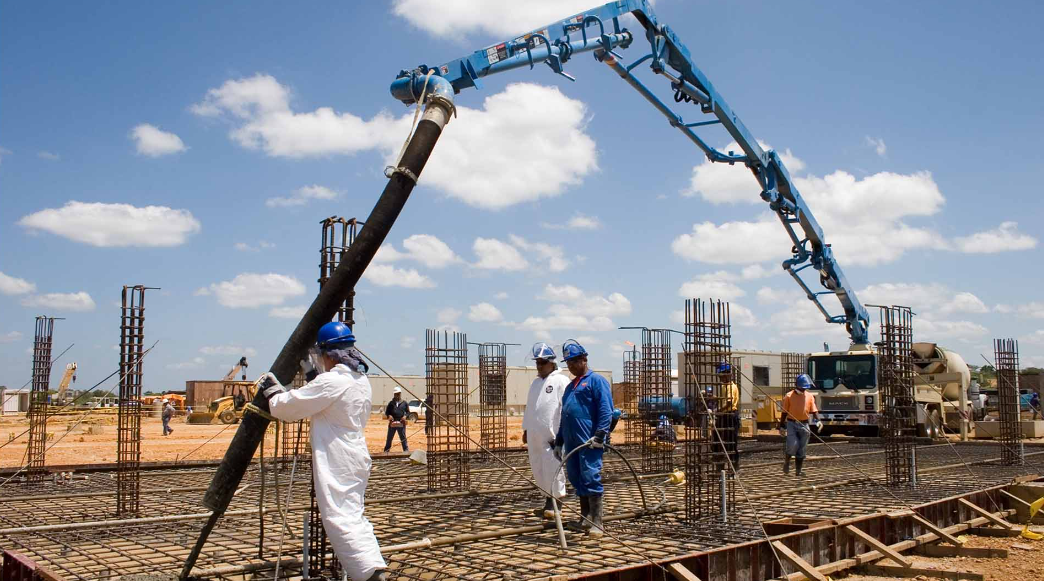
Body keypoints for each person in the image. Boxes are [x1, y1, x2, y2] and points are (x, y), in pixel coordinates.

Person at [259, 321, 387, 581]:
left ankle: (370, 576)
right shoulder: (359, 380)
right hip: (353, 455)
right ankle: (372, 570)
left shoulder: (332, 381)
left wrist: (271, 391)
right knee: (353, 515)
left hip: (338, 457)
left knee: (340, 518)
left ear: (329, 354)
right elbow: (326, 397)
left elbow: (289, 406)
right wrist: (312, 378)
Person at [554, 339, 613, 537]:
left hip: (589, 441)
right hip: (572, 442)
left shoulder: (596, 381)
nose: (571, 366)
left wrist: (599, 434)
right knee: (577, 478)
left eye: (574, 362)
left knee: (590, 476)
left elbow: (606, 410)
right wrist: (559, 441)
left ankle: (597, 522)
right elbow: (565, 415)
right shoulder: (571, 387)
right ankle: (585, 519)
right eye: (568, 363)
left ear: (584, 359)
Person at [522, 342, 570, 520]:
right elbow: (530, 409)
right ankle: (547, 501)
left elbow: (566, 408)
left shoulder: (561, 380)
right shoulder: (535, 383)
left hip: (552, 437)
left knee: (552, 468)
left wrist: (562, 434)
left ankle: (556, 503)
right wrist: (526, 429)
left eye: (542, 362)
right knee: (538, 468)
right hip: (535, 435)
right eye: (537, 363)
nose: (539, 366)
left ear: (552, 363)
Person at [779, 374, 820, 477]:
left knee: (802, 448)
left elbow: (814, 410)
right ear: (797, 385)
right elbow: (784, 412)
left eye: (804, 388)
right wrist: (781, 425)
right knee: (793, 445)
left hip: (804, 424)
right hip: (792, 423)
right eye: (802, 388)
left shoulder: (809, 396)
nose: (803, 390)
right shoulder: (789, 396)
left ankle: (798, 470)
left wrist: (817, 420)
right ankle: (787, 462)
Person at [715, 362, 741, 470]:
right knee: (718, 443)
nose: (720, 377)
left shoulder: (730, 386)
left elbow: (729, 403)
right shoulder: (724, 386)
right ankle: (720, 467)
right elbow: (724, 400)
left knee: (730, 443)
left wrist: (719, 411)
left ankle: (734, 467)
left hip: (729, 417)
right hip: (723, 416)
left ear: (726, 374)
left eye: (721, 375)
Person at [383, 387, 409, 453]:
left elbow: (408, 412)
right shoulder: (391, 403)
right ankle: (386, 451)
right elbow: (387, 412)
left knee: (403, 438)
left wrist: (405, 416)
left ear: (400, 394)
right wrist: (389, 416)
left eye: (398, 394)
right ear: (394, 394)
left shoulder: (404, 403)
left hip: (401, 423)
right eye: (396, 394)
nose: (397, 395)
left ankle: (406, 451)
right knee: (389, 438)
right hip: (392, 424)